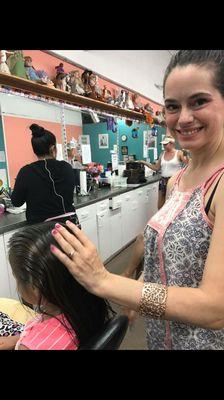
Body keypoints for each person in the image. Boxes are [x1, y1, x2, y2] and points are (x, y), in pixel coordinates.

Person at [49, 50, 224, 350]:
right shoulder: (178, 180)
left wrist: (106, 280)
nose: (183, 118)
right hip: (159, 337)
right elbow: (163, 256)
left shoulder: (220, 183)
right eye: (172, 106)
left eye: (198, 101)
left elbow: (215, 307)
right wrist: (135, 286)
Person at [1, 221, 114, 350]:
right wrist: (21, 337)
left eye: (16, 278)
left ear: (34, 287)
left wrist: (26, 342)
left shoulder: (29, 347)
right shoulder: (89, 306)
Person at [11, 124, 79, 225]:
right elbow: (72, 188)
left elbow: (16, 202)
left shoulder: (26, 172)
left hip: (41, 233)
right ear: (53, 148)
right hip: (70, 226)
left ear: (35, 150)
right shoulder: (66, 167)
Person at [137, 134, 188, 209]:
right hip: (163, 180)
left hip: (175, 181)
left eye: (165, 144)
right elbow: (156, 168)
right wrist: (144, 163)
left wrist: (185, 175)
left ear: (172, 143)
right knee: (160, 205)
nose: (164, 146)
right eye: (163, 144)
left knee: (173, 204)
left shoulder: (179, 153)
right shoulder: (162, 154)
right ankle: (161, 219)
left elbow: (190, 163)